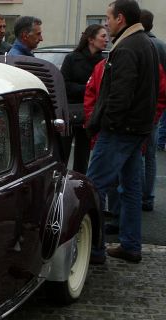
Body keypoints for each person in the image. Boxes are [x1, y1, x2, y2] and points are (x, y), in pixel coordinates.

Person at [85, 0, 159, 264]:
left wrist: (108, 125)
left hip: (121, 130)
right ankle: (130, 245)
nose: (106, 23)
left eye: (108, 18)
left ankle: (94, 250)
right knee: (130, 189)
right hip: (137, 128)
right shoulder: (144, 43)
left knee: (92, 188)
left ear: (121, 18)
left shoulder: (128, 47)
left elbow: (120, 95)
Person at [60, 24, 108, 174]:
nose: (106, 40)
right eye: (103, 36)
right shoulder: (72, 58)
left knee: (83, 156)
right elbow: (64, 84)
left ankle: (79, 190)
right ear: (91, 39)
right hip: (71, 112)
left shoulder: (104, 62)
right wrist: (88, 89)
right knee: (63, 154)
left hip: (90, 114)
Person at [139, 9, 166, 212]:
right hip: (157, 107)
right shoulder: (161, 45)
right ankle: (147, 197)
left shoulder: (142, 44)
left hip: (144, 107)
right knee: (150, 156)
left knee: (137, 154)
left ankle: (138, 196)